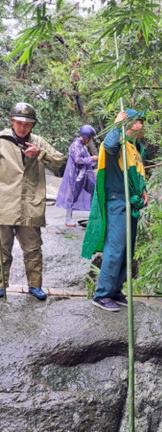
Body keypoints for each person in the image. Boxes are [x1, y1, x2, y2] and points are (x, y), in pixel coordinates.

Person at [82, 109, 148, 312]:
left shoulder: (133, 147)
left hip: (131, 202)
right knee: (116, 247)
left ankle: (115, 290)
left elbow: (136, 175)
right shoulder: (116, 143)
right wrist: (118, 124)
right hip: (117, 202)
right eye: (139, 121)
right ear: (129, 124)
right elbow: (108, 145)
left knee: (127, 250)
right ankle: (102, 294)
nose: (142, 125)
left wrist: (143, 191)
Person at [0, 102, 66, 300]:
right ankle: (1, 285)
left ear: (33, 125)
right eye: (19, 122)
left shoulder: (38, 142)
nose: (23, 127)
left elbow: (59, 161)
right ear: (12, 121)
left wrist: (40, 153)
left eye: (28, 124)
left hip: (31, 206)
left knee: (33, 250)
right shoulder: (2, 140)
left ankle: (35, 286)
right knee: (2, 250)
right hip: (4, 204)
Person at [56, 125, 98, 227]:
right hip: (75, 175)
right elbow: (78, 160)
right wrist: (92, 158)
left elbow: (87, 160)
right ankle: (68, 219)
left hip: (85, 175)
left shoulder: (83, 147)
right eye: (90, 138)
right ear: (86, 137)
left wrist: (93, 160)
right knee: (72, 196)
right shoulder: (75, 145)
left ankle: (94, 216)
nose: (90, 140)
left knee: (94, 190)